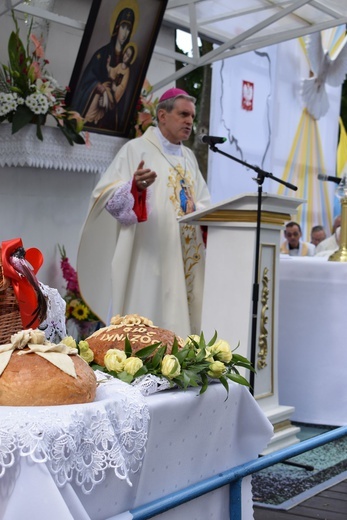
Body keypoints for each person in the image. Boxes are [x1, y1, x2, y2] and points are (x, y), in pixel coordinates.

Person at [77, 88, 210, 338]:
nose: (190, 121)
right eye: (183, 114)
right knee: (150, 315)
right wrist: (133, 188)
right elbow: (103, 195)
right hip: (149, 254)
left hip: (185, 256)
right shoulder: (136, 150)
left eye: (192, 116)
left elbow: (203, 201)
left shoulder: (189, 157)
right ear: (162, 115)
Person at [72, 6, 135, 131]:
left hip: (111, 123)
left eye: (128, 29)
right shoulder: (102, 54)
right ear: (117, 27)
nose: (125, 33)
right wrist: (100, 88)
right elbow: (86, 80)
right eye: (123, 27)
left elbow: (123, 98)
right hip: (92, 116)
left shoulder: (127, 67)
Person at [84, 43, 136, 126]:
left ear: (130, 59)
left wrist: (116, 88)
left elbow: (122, 87)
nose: (126, 56)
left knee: (104, 93)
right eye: (126, 53)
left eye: (128, 55)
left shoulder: (127, 71)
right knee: (98, 94)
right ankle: (90, 117)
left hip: (114, 95)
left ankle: (96, 114)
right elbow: (112, 72)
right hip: (109, 88)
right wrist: (108, 66)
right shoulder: (119, 65)